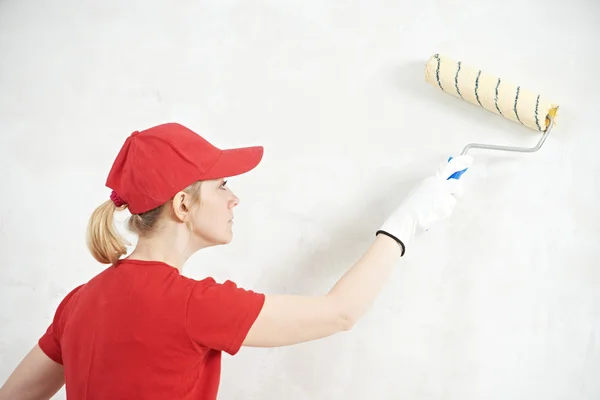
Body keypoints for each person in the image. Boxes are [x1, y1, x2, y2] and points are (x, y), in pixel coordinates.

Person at [0, 122, 472, 399]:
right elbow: (340, 312)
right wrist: (407, 220)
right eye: (222, 186)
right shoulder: (191, 305)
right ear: (183, 206)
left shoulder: (78, 304)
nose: (234, 199)